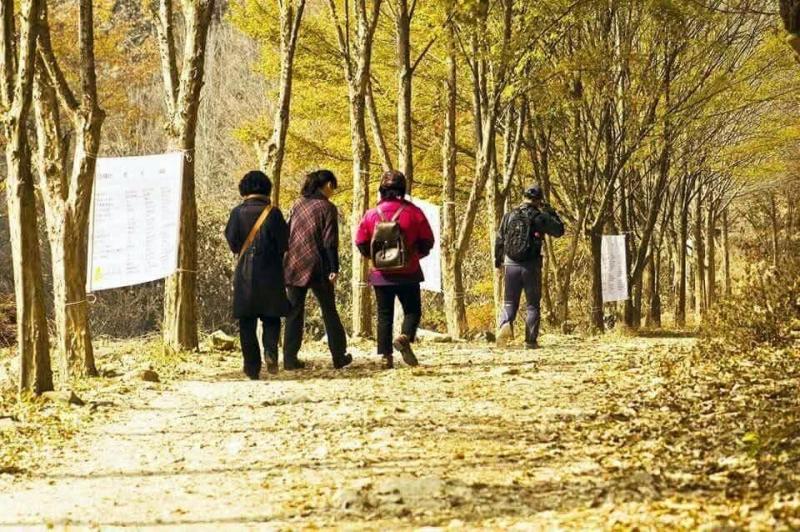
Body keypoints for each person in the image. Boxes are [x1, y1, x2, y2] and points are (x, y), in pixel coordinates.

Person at [355, 170, 435, 369]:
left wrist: (375, 259)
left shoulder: (371, 214)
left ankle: (385, 357)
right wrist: (414, 256)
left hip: (380, 275)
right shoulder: (414, 212)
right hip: (409, 272)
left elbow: (361, 242)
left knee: (384, 315)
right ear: (403, 189)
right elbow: (428, 241)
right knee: (412, 311)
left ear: (381, 190)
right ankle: (404, 337)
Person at [283, 169, 353, 370]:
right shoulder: (327, 207)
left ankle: (289, 359)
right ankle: (339, 356)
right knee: (329, 310)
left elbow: (288, 232)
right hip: (318, 265)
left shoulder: (297, 204)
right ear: (328, 185)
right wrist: (334, 267)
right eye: (333, 187)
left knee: (294, 312)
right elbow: (330, 241)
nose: (333, 191)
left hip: (294, 263)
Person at [225, 171, 290, 380]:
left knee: (247, 322)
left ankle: (251, 367)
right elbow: (284, 244)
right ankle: (270, 352)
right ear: (266, 188)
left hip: (245, 274)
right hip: (271, 272)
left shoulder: (237, 213)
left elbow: (233, 242)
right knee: (271, 316)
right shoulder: (274, 213)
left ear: (244, 189)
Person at [494, 185, 564, 349]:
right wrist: (551, 212)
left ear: (523, 197)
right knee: (532, 305)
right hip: (531, 266)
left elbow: (500, 239)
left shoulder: (509, 215)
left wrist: (499, 261)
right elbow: (559, 231)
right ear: (539, 200)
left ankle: (505, 324)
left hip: (511, 264)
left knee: (509, 302)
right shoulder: (539, 217)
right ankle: (530, 342)